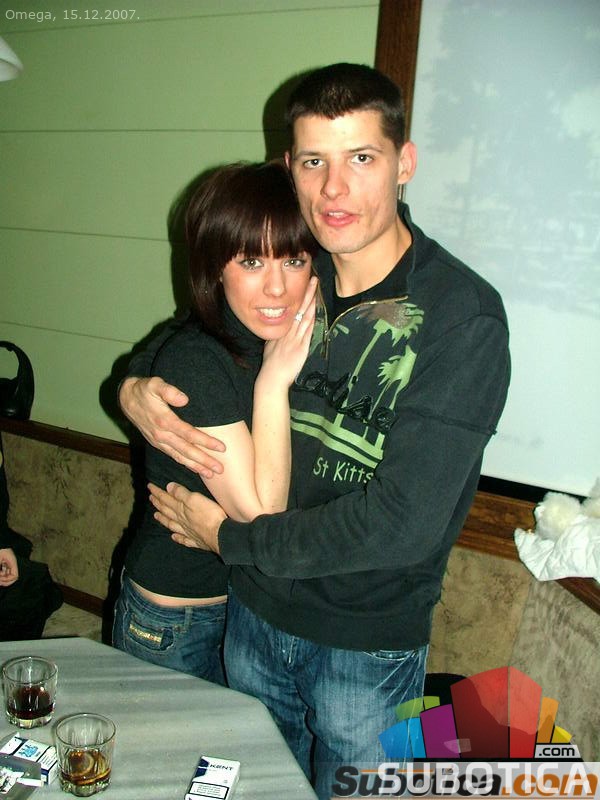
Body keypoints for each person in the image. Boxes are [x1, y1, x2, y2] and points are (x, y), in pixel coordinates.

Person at [121, 64, 510, 798]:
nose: (335, 189)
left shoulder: (461, 316)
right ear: (289, 169)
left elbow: (402, 525)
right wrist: (134, 382)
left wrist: (230, 539)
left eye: (361, 158)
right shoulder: (301, 269)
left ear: (404, 163)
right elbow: (198, 327)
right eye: (313, 162)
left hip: (362, 646)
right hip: (254, 616)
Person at [113, 161, 318, 684]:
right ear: (216, 268)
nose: (276, 288)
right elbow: (259, 517)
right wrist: (273, 384)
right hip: (181, 615)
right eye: (251, 261)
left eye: (293, 260)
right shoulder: (198, 361)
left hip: (258, 611)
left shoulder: (289, 338)